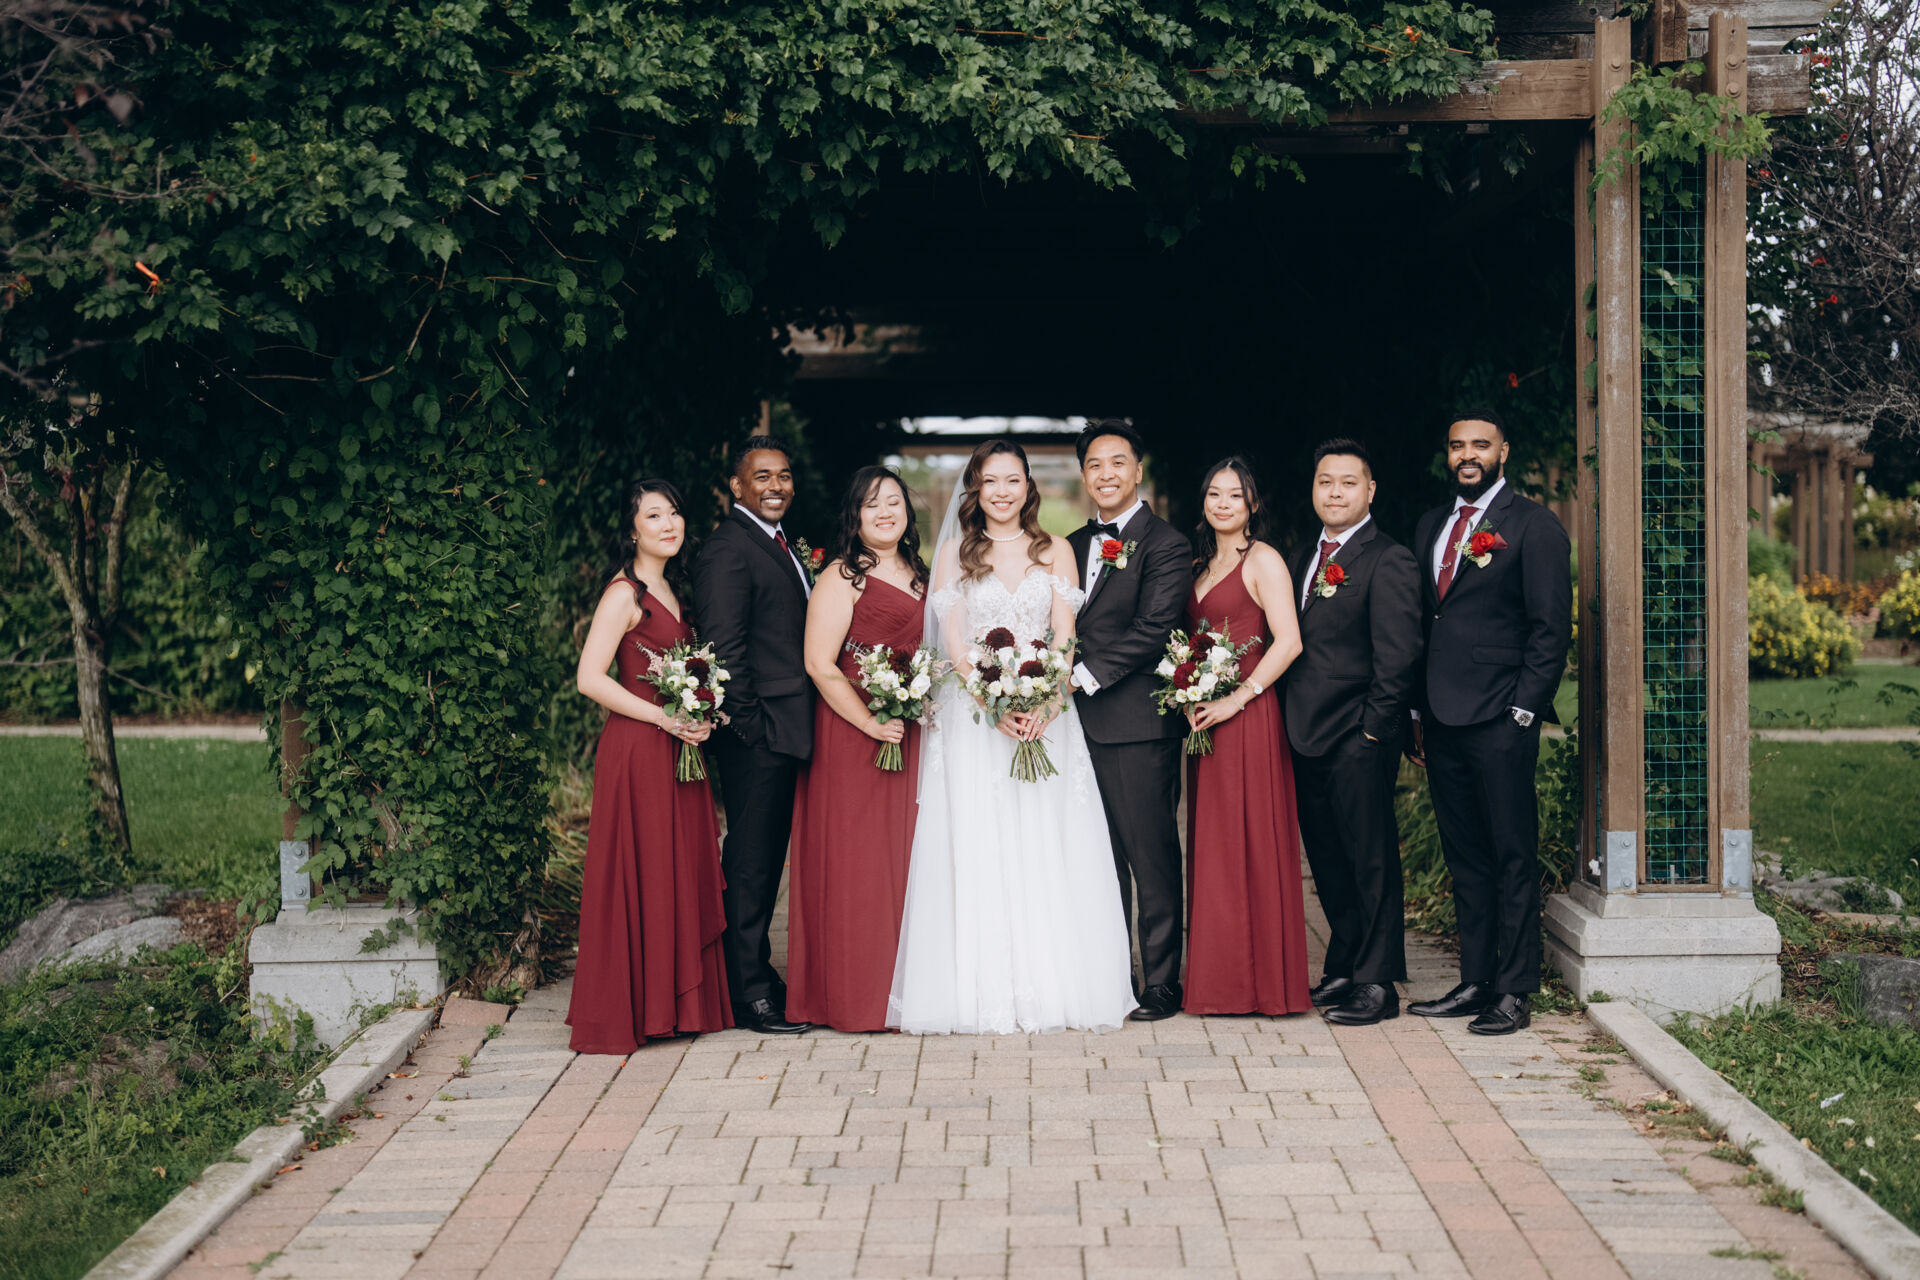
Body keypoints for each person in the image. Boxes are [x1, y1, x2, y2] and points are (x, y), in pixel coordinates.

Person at [888, 439, 1137, 1034]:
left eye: (1012, 480)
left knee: (1047, 838)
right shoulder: (954, 552)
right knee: (980, 839)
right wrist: (991, 702)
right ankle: (980, 988)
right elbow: (953, 641)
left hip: (1047, 715)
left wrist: (1048, 699)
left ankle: (1054, 984)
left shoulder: (1055, 550)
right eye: (990, 481)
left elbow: (1065, 636)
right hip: (976, 720)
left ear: (1029, 486)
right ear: (975, 489)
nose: (1002, 491)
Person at [1405, 407, 1572, 1036]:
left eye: (1481, 445)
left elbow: (1550, 629)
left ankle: (1514, 990)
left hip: (1502, 717)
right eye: (1457, 446)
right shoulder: (1431, 526)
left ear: (1504, 452)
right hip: (1441, 717)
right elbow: (1426, 623)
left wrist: (1524, 709)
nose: (1467, 455)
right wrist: (1416, 709)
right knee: (1466, 858)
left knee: (1511, 854)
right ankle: (1476, 980)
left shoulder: (1533, 525)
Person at [565, 480, 731, 1054]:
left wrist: (701, 714)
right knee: (647, 871)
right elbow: (589, 678)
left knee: (678, 867)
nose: (668, 524)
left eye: (674, 513)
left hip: (680, 747)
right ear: (632, 530)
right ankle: (641, 1007)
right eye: (654, 515)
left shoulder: (675, 587)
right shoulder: (623, 594)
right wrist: (664, 717)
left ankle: (679, 1005)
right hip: (638, 750)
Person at [1284, 440, 1423, 1027]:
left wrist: (1373, 733)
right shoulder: (1301, 558)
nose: (1335, 492)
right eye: (1325, 482)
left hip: (1357, 738)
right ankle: (1344, 963)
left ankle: (1377, 982)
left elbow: (1399, 655)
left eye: (1347, 482)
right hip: (1304, 733)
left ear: (1370, 491)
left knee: (1370, 860)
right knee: (1329, 858)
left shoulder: (1388, 559)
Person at [787, 467, 928, 1032]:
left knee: (905, 860)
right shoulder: (842, 577)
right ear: (856, 516)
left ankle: (906, 991)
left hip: (909, 731)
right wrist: (870, 722)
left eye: (893, 501)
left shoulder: (921, 574)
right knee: (858, 864)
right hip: (853, 734)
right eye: (872, 504)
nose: (885, 512)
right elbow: (819, 663)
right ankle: (853, 996)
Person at [1066, 420, 1193, 1021]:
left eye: (1118, 462)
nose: (1106, 474)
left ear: (1137, 470)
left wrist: (1080, 676)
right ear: (1083, 475)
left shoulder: (1166, 544)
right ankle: (1114, 975)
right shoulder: (1069, 545)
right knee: (1096, 856)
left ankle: (1163, 981)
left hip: (1137, 725)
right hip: (1071, 728)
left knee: (1151, 855)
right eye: (1095, 464)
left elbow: (1155, 628)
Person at [689, 436, 815, 1036]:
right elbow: (722, 648)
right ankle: (748, 994)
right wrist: (750, 728)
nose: (775, 486)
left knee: (765, 861)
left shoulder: (780, 543)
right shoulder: (726, 550)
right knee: (750, 863)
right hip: (757, 734)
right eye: (761, 476)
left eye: (783, 475)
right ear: (736, 487)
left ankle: (758, 974)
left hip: (784, 728)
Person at [1182, 457, 1312, 1017]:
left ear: (1253, 503)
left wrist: (1239, 697)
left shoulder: (1263, 560)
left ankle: (1261, 984)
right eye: (1215, 493)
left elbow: (1289, 642)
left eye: (1235, 495)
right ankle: (1220, 981)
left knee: (1252, 844)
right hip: (1206, 719)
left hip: (1248, 716)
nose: (1223, 503)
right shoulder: (1200, 564)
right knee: (1215, 847)